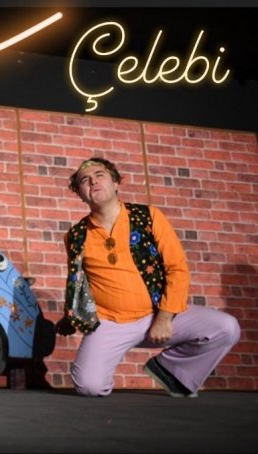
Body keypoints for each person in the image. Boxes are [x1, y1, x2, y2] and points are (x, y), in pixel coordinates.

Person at [56, 157, 240, 397]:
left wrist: (164, 317)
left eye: (99, 175)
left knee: (226, 328)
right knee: (89, 386)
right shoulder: (75, 235)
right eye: (84, 180)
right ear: (80, 194)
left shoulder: (149, 216)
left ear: (116, 183)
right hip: (109, 322)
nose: (93, 182)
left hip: (158, 315)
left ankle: (171, 371)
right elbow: (78, 282)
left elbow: (177, 268)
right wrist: (70, 317)